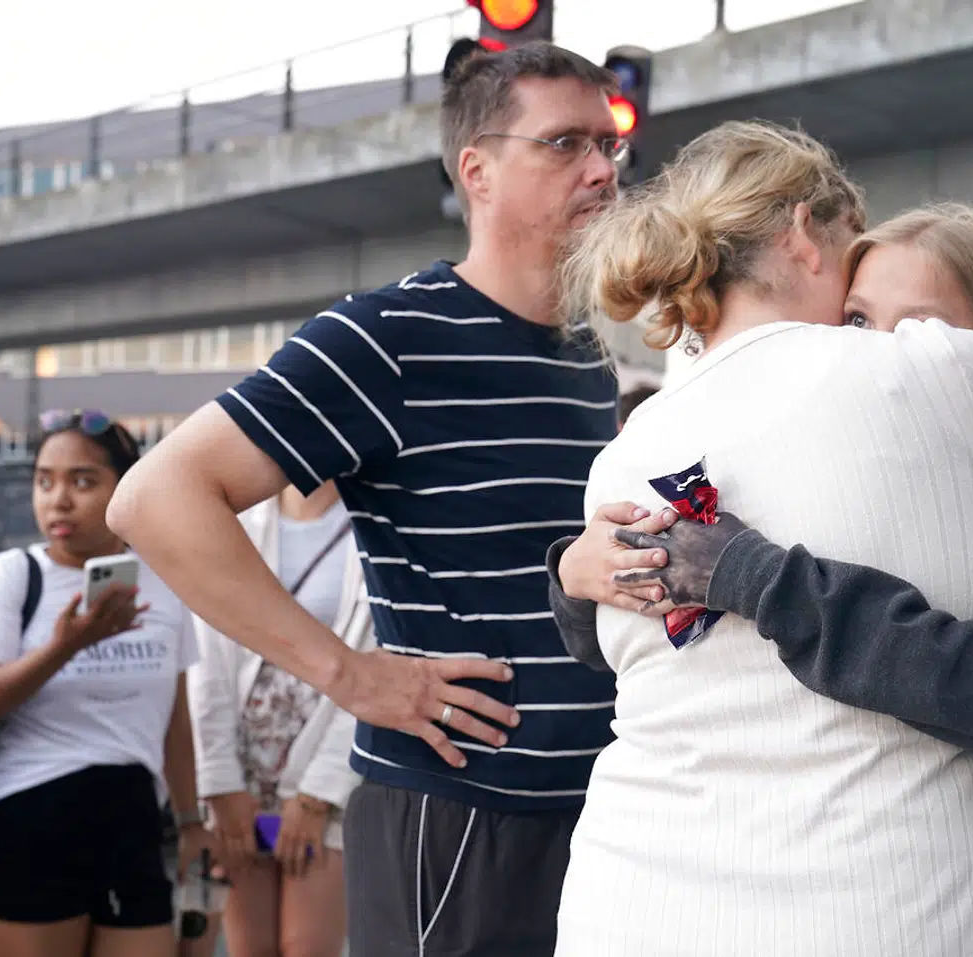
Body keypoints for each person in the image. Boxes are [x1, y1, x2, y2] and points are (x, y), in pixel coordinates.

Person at [107, 43, 626, 957]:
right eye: (564, 144)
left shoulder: (588, 351)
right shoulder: (387, 335)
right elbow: (154, 498)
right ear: (478, 170)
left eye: (607, 146)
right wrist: (353, 677)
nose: (600, 169)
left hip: (595, 811)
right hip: (462, 818)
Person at [551, 122, 973, 956]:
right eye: (862, 307)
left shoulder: (628, 447)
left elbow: (623, 652)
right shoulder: (939, 377)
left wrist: (574, 576)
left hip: (623, 904)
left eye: (911, 322)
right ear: (804, 234)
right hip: (876, 910)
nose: (863, 330)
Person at [552, 203, 973, 779]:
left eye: (919, 329)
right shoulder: (809, 462)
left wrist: (757, 579)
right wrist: (579, 577)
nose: (875, 350)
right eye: (860, 321)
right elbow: (617, 649)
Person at [0, 409, 208, 957]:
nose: (58, 499)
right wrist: (66, 646)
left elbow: (174, 718)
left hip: (130, 826)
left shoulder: (165, 582)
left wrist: (191, 824)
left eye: (82, 481)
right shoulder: (12, 575)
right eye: (45, 481)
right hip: (25, 823)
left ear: (125, 489)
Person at [188, 481, 374, 957]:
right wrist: (222, 786)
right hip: (244, 791)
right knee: (251, 947)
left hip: (320, 791)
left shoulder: (376, 526)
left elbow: (377, 667)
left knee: (307, 945)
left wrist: (316, 797)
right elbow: (205, 666)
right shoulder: (234, 525)